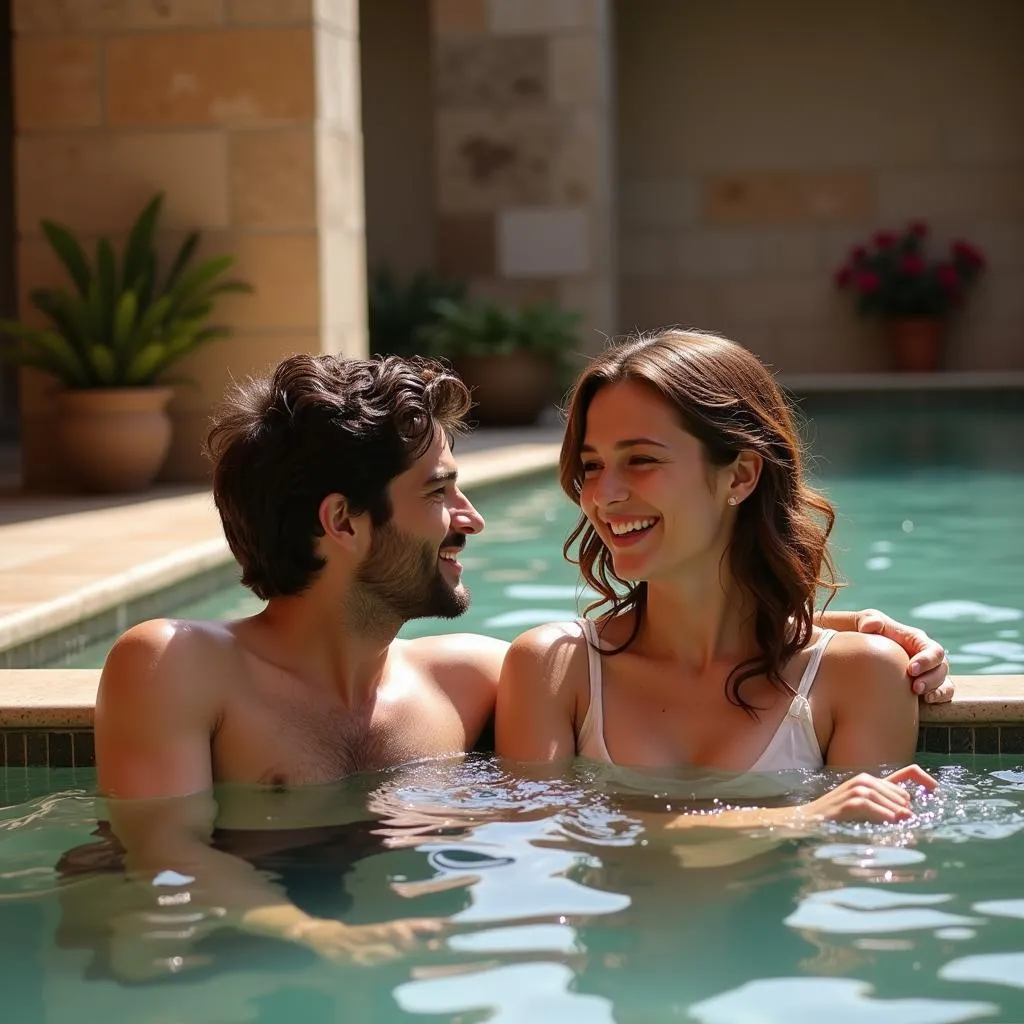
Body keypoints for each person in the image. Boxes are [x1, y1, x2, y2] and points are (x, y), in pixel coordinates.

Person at [91, 350, 949, 971]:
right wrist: (317, 936)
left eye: (638, 462)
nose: (473, 517)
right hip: (225, 963)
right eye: (440, 492)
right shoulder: (176, 663)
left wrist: (844, 630)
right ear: (343, 523)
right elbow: (165, 855)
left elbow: (665, 643)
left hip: (394, 948)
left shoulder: (464, 677)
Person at [496, 329, 943, 829]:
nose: (604, 494)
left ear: (741, 476)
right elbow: (538, 852)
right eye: (592, 465)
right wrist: (792, 819)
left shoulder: (859, 675)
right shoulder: (556, 670)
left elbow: (858, 875)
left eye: (641, 459)